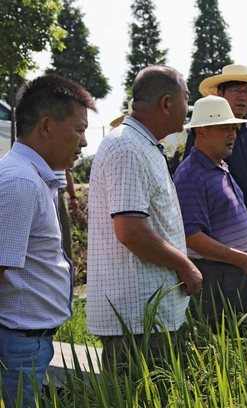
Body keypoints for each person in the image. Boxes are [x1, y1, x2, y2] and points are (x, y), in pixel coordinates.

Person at [86, 65, 203, 368]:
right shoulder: (127, 146)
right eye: (185, 98)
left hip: (151, 315)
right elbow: (131, 231)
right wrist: (184, 264)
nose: (187, 108)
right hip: (137, 320)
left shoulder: (143, 144)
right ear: (166, 103)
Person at [0, 75, 95, 407]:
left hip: (27, 342)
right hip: (19, 344)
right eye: (79, 129)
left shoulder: (32, 177)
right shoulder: (21, 182)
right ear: (46, 127)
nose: (83, 142)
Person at [174, 95, 247, 331]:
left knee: (244, 343)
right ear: (202, 132)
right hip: (219, 278)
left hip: (237, 274)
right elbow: (192, 237)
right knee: (226, 346)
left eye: (234, 129)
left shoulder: (220, 166)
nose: (232, 135)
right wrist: (244, 260)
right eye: (224, 129)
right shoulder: (191, 175)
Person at [184, 64, 247, 260]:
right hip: (223, 223)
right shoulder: (206, 132)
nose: (243, 97)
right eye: (236, 91)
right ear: (220, 93)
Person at [55, 169, 78, 260]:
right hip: (42, 191)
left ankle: (67, 270)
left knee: (64, 237)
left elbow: (67, 170)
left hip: (61, 194)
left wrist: (73, 196)